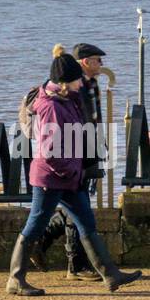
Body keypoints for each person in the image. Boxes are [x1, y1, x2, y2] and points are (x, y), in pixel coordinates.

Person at [6, 49, 142, 296]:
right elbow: (50, 152)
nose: (82, 81)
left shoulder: (68, 99)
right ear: (64, 82)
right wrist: (72, 171)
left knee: (87, 223)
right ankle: (15, 280)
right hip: (51, 179)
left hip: (69, 177)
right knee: (35, 225)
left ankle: (110, 275)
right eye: (77, 78)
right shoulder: (51, 107)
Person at [30, 42, 106, 280]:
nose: (101, 64)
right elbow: (77, 121)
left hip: (86, 151)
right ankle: (76, 265)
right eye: (97, 59)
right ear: (84, 61)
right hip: (75, 155)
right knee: (76, 208)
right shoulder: (74, 86)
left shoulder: (88, 84)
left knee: (77, 206)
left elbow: (93, 118)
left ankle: (41, 243)